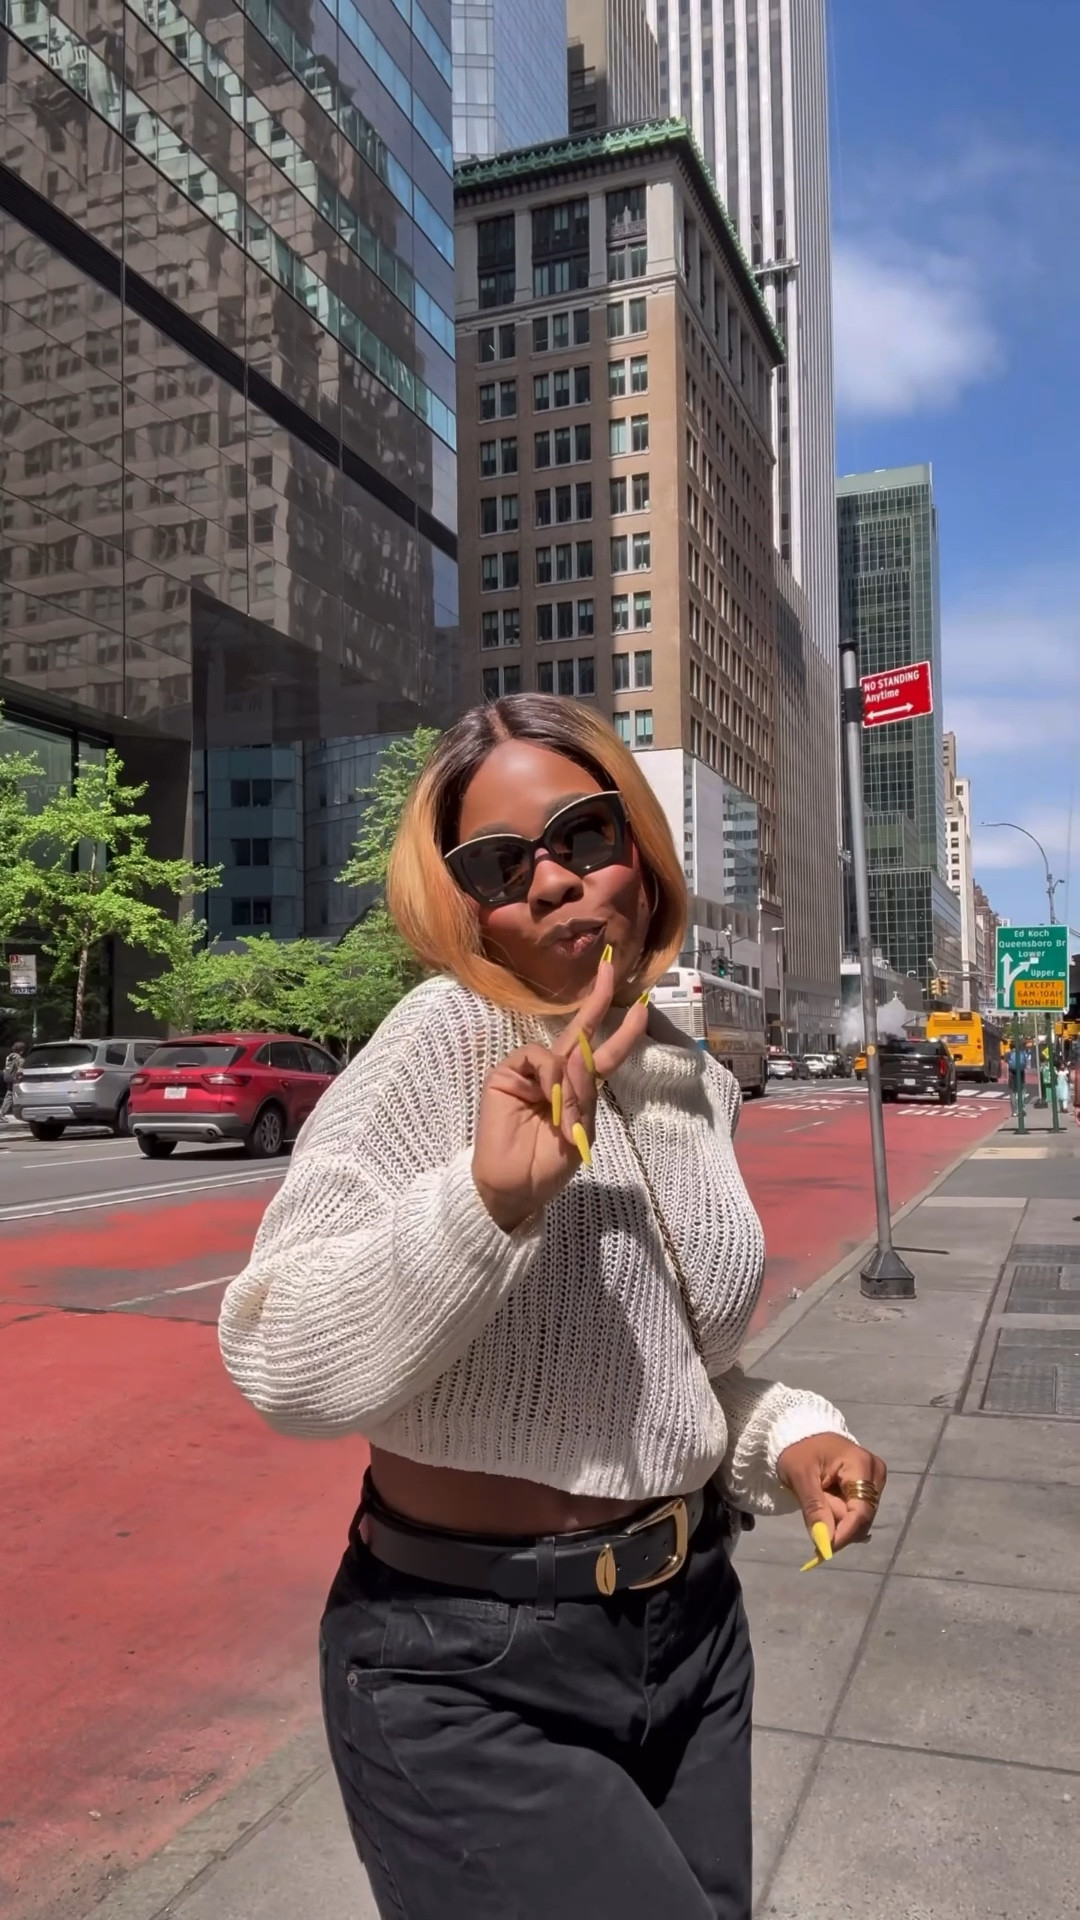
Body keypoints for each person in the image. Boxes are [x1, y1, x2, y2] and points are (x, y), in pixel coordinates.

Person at [219, 696, 886, 1920]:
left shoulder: (689, 1073)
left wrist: (793, 1438)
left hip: (692, 1633)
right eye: (500, 864)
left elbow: (675, 1368)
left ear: (638, 845)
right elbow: (278, 1355)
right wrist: (484, 1204)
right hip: (464, 1665)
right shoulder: (439, 1045)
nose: (554, 881)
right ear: (466, 902)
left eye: (583, 834)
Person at [1, 1039, 26, 1119]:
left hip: (6, 1076)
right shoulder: (20, 1059)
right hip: (13, 1077)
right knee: (19, 1093)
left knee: (9, 1094)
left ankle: (2, 1113)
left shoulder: (8, 1057)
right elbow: (20, 1070)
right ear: (21, 1051)